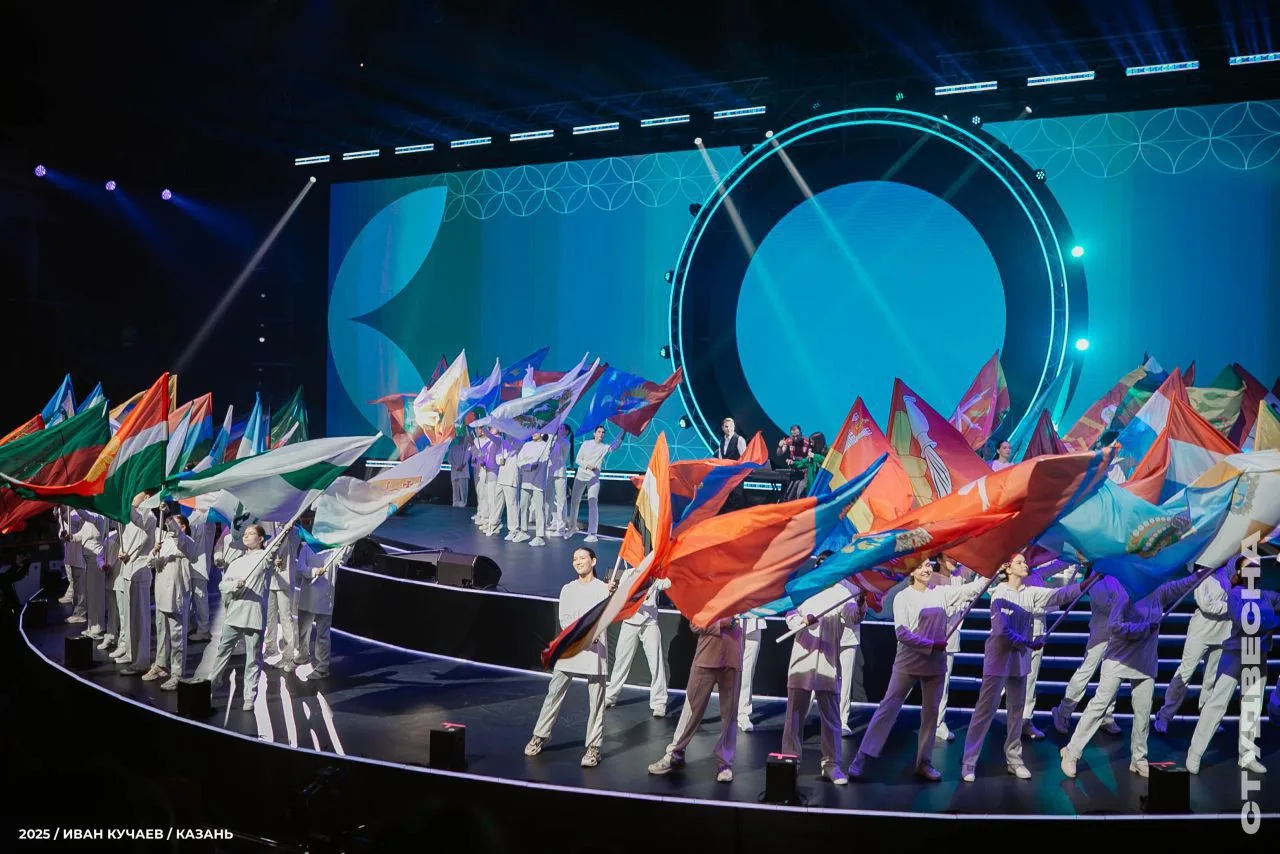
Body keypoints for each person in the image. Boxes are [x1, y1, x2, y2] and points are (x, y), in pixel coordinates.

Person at [846, 557, 986, 781]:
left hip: (935, 662)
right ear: (911, 572)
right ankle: (861, 758)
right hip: (909, 661)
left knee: (931, 714)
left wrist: (992, 572)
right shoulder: (903, 597)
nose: (926, 569)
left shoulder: (940, 593)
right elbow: (902, 633)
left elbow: (971, 590)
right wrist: (931, 645)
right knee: (888, 708)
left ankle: (924, 762)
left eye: (928, 565)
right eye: (920, 566)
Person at [1060, 568, 1205, 779]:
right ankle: (1072, 751)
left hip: (1145, 661)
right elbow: (1115, 626)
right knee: (1100, 705)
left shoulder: (1159, 592)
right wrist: (1142, 629)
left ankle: (1139, 758)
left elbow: (1181, 586)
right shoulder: (1125, 594)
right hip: (1118, 658)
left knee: (1143, 712)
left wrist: (1201, 574)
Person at [960, 553, 1082, 782]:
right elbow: (1002, 630)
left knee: (1016, 712)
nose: (1025, 565)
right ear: (1007, 568)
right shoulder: (999, 594)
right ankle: (969, 761)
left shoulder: (1030, 592)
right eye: (1019, 562)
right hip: (998, 660)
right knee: (985, 711)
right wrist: (1028, 643)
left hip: (1020, 661)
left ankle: (1014, 759)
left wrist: (1084, 584)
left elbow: (1059, 595)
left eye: (1025, 561)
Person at [1186, 561, 1280, 774]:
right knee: (1217, 703)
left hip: (1258, 655)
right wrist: (1273, 619)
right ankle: (1195, 752)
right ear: (1240, 572)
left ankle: (1247, 756)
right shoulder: (1235, 594)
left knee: (1252, 707)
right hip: (1236, 653)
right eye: (1249, 567)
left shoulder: (1266, 595)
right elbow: (1246, 621)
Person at [524, 547, 615, 767]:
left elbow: (609, 616)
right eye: (575, 559)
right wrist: (582, 637)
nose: (578, 562)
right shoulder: (567, 589)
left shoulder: (604, 589)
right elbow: (564, 620)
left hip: (595, 651)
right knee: (554, 693)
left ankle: (593, 747)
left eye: (582, 558)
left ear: (593, 561)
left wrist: (612, 593)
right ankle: (540, 735)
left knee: (597, 701)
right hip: (570, 648)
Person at [648, 616, 745, 783]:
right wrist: (721, 624)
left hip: (732, 656)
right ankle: (674, 755)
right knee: (691, 710)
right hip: (706, 657)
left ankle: (725, 763)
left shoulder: (738, 599)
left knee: (730, 714)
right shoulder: (705, 599)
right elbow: (695, 625)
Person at [781, 585, 861, 785]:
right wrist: (802, 621)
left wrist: (860, 604)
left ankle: (831, 765)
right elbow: (790, 614)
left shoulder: (842, 592)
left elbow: (852, 617)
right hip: (802, 658)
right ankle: (790, 761)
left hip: (828, 660)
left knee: (832, 717)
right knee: (794, 716)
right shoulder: (806, 587)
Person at [1153, 564, 1231, 733]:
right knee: (1185, 673)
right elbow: (1206, 605)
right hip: (1200, 633)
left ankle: (1207, 719)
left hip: (1222, 633)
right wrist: (1230, 606)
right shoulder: (1202, 575)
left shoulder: (1226, 573)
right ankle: (1165, 715)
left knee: (1211, 678)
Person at [1050, 568, 1125, 736]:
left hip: (1120, 633)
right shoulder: (1096, 576)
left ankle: (1106, 715)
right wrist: (1128, 604)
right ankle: (1063, 712)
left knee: (1113, 676)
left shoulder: (1118, 573)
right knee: (1086, 672)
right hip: (1101, 633)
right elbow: (1106, 605)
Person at [208, 524, 274, 711]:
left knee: (253, 658)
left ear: (260, 539)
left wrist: (286, 529)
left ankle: (249, 696)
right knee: (222, 653)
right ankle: (211, 687)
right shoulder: (237, 562)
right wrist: (234, 585)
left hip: (254, 614)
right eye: (245, 534)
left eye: (251, 534)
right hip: (234, 614)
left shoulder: (264, 558)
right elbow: (223, 585)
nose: (246, 536)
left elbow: (274, 549)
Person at [143, 511, 196, 690]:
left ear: (183, 527)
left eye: (173, 523)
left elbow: (179, 538)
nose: (168, 526)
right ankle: (160, 664)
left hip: (176, 594)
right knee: (161, 632)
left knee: (176, 635)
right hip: (161, 593)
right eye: (167, 524)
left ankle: (177, 674)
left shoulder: (187, 542)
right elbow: (150, 564)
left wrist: (166, 516)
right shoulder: (163, 542)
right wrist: (154, 551)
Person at [604, 577, 671, 717]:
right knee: (621, 662)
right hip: (629, 622)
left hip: (650, 624)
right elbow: (621, 593)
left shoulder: (654, 576)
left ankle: (659, 703)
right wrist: (613, 589)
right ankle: (610, 696)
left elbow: (667, 583)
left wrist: (676, 572)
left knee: (656, 665)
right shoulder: (629, 573)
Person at [110, 498, 158, 675]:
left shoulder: (149, 516)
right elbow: (125, 537)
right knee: (130, 618)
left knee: (140, 619)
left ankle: (142, 661)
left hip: (140, 571)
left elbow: (139, 521)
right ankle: (131, 653)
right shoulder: (131, 518)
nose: (132, 496)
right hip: (128, 570)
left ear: (146, 497)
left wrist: (123, 499)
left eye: (136, 493)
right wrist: (122, 552)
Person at [295, 542, 352, 681]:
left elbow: (342, 559)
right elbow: (301, 568)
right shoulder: (307, 547)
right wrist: (314, 571)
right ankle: (303, 655)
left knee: (323, 635)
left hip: (325, 598)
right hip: (307, 596)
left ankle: (322, 668)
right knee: (302, 630)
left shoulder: (334, 550)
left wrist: (351, 543)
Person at [931, 555, 971, 742]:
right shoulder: (930, 578)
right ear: (939, 560)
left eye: (956, 556)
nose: (954, 560)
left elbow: (979, 567)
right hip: (928, 639)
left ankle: (938, 723)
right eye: (949, 557)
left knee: (943, 682)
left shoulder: (959, 578)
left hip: (950, 638)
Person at [567, 426, 620, 543]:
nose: (601, 434)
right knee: (575, 502)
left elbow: (615, 446)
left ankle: (592, 533)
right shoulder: (586, 444)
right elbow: (578, 460)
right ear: (594, 433)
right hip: (580, 476)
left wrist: (623, 432)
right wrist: (588, 466)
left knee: (593, 503)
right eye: (599, 432)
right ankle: (572, 527)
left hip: (594, 479)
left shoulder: (604, 447)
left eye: (603, 432)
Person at [262, 522, 299, 671]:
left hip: (285, 580)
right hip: (270, 578)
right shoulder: (270, 527)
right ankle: (271, 647)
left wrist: (287, 530)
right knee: (269, 616)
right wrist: (271, 559)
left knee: (285, 618)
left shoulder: (294, 531)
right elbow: (265, 549)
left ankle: (288, 655)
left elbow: (291, 547)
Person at [835, 580, 868, 736]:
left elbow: (857, 617)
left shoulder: (855, 584)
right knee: (816, 679)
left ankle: (842, 721)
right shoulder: (821, 581)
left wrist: (860, 604)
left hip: (848, 638)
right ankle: (801, 718)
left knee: (845, 681)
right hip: (823, 638)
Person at [186, 508, 216, 643]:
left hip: (200, 565)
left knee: (200, 598)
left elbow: (204, 522)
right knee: (188, 598)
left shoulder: (209, 520)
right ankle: (189, 625)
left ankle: (203, 630)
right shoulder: (191, 516)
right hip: (187, 564)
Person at [516, 433, 551, 546]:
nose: (534, 434)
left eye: (537, 431)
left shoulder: (545, 445)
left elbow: (546, 458)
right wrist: (529, 466)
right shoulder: (527, 445)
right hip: (526, 481)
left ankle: (539, 536)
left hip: (538, 482)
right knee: (523, 506)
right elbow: (519, 461)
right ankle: (523, 531)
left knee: (539, 509)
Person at [56, 506, 89, 624]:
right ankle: (77, 611)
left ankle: (80, 613)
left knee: (81, 587)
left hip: (81, 555)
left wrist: (64, 512)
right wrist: (62, 534)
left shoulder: (80, 513)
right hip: (71, 554)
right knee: (75, 584)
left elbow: (76, 522)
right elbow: (63, 529)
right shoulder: (63, 513)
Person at [487, 433, 522, 539]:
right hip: (501, 477)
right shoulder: (503, 442)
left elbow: (515, 449)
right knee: (497, 502)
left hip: (511, 477)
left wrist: (505, 456)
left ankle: (513, 530)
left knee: (512, 504)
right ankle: (494, 524)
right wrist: (499, 461)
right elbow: (497, 456)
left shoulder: (519, 441)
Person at [736, 615, 765, 732]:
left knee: (748, 672)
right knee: (729, 670)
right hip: (732, 620)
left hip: (754, 620)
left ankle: (743, 714)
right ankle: (729, 711)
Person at [546, 424, 574, 537]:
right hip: (550, 473)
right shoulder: (552, 441)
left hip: (560, 474)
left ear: (566, 432)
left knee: (561, 501)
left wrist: (552, 434)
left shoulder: (565, 442)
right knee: (550, 499)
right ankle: (554, 522)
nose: (559, 429)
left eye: (561, 428)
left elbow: (558, 441)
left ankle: (561, 528)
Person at [716, 417, 748, 510]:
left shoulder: (739, 439)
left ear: (734, 427)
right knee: (725, 502)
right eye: (726, 427)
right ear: (723, 428)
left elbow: (744, 459)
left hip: (736, 476)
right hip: (725, 476)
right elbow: (720, 460)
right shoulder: (722, 441)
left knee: (737, 501)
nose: (729, 429)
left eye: (731, 426)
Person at [777, 425, 810, 501]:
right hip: (794, 472)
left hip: (805, 472)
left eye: (797, 436)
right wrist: (780, 446)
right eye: (793, 436)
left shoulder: (807, 442)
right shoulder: (789, 441)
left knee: (799, 493)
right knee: (788, 496)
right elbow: (779, 453)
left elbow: (810, 458)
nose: (795, 438)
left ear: (801, 433)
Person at [448, 435, 471, 508]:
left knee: (462, 489)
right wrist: (457, 467)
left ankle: (462, 502)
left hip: (462, 472)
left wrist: (461, 466)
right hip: (457, 472)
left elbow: (467, 458)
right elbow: (449, 459)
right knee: (457, 489)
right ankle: (456, 502)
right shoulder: (453, 448)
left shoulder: (467, 448)